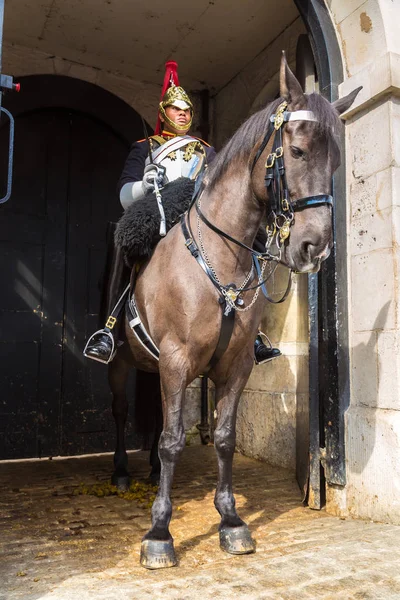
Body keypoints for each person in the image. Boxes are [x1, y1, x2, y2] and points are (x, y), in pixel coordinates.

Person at [83, 61, 281, 366]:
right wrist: (144, 185)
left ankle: (252, 335)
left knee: (248, 239)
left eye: (187, 110)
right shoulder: (144, 147)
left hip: (199, 213)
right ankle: (108, 329)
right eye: (177, 109)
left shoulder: (206, 150)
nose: (184, 115)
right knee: (125, 236)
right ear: (164, 112)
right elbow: (124, 192)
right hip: (158, 208)